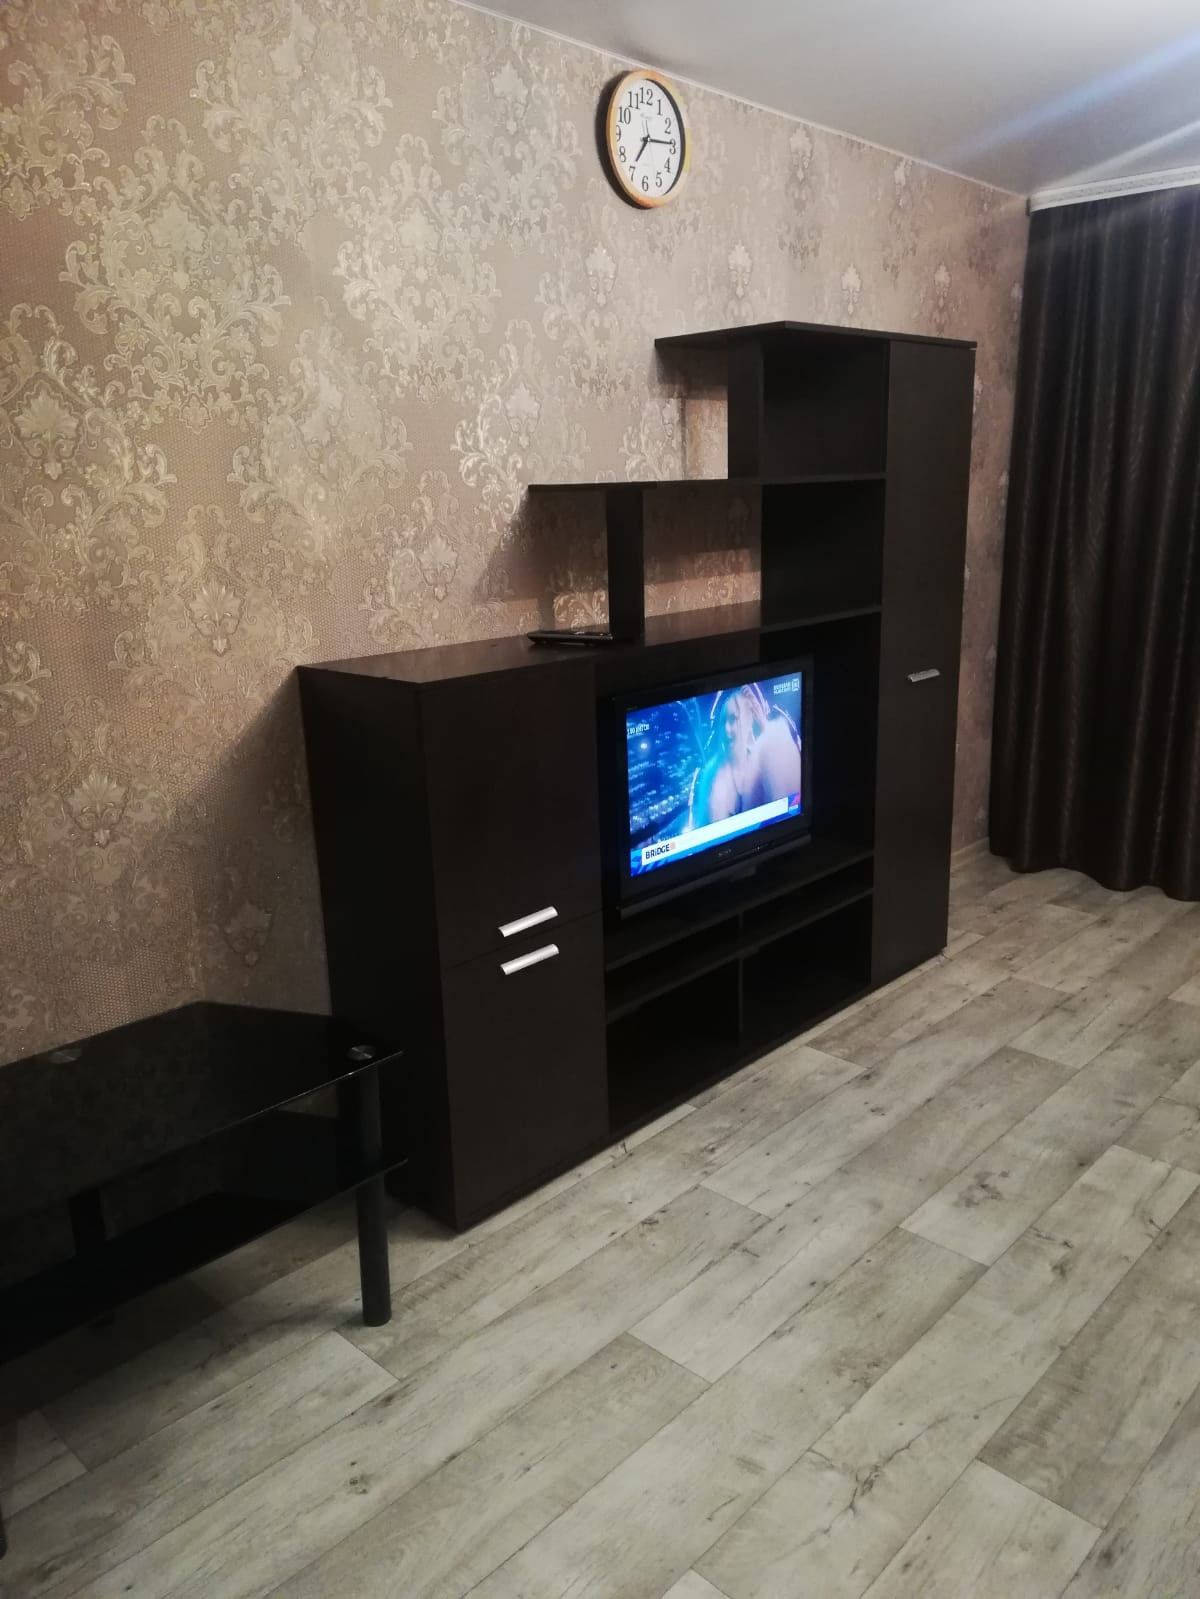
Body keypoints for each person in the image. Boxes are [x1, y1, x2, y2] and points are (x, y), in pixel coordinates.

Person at [690, 682, 802, 826]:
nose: (727, 729)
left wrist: (764, 724)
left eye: (733, 719)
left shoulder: (764, 761)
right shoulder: (712, 779)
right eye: (723, 722)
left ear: (747, 721)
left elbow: (788, 799)